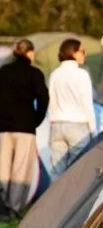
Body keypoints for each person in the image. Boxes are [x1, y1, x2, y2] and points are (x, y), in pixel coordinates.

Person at [0, 39, 49, 211]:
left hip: (4, 126)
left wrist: (3, 113)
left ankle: (2, 203)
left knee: (4, 166)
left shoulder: (3, 72)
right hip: (25, 126)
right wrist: (36, 119)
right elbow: (43, 99)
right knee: (21, 168)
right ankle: (14, 206)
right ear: (30, 53)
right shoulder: (35, 73)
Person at [47, 38, 97, 174]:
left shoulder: (54, 74)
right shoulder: (82, 75)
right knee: (78, 171)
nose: (84, 54)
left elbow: (51, 103)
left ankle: (56, 196)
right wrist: (93, 132)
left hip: (57, 125)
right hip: (78, 126)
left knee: (57, 171)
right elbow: (88, 105)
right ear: (73, 53)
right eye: (82, 51)